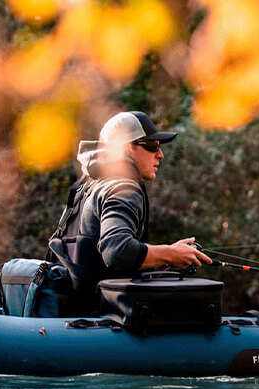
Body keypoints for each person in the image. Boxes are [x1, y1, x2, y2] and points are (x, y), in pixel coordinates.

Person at [47, 111, 211, 312]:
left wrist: (157, 262)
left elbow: (95, 257)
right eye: (152, 146)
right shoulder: (123, 188)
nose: (160, 154)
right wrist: (169, 254)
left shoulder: (87, 186)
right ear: (126, 149)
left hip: (71, 313)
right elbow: (117, 250)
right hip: (96, 321)